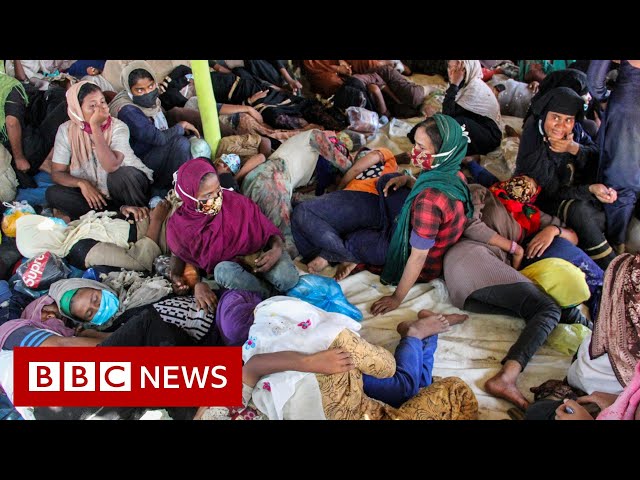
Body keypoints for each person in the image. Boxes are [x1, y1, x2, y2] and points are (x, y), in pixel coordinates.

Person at [196, 296, 476, 420]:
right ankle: (423, 336)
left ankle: (416, 334)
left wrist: (309, 362)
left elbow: (252, 367)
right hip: (311, 393)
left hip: (306, 371)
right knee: (413, 390)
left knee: (403, 387)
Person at [443, 178, 594, 409]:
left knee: (546, 306)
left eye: (531, 183)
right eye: (520, 179)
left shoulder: (531, 215)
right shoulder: (482, 191)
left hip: (479, 281)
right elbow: (469, 223)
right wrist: (514, 248)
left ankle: (594, 331)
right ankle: (506, 378)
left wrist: (552, 231)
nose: (523, 185)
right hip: (470, 257)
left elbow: (573, 236)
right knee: (547, 308)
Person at [368, 115, 473, 315]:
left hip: (423, 264)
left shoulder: (428, 202)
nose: (413, 152)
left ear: (443, 152)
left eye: (421, 147)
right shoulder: (454, 174)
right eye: (415, 144)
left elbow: (417, 258)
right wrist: (408, 181)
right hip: (432, 238)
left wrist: (396, 298)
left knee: (359, 240)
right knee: (387, 181)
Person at [167, 158, 299, 304]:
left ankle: (266, 294)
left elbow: (268, 230)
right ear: (189, 197)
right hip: (232, 270)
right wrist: (176, 275)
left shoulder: (237, 203)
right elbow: (179, 253)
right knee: (223, 272)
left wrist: (277, 250)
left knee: (288, 279)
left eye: (218, 189)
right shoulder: (180, 226)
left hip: (260, 256)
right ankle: (268, 296)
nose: (217, 198)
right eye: (208, 195)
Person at [515, 86, 617, 269]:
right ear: (544, 115)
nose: (561, 126)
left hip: (576, 193)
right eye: (555, 118)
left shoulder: (575, 130)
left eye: (568, 120)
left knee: (607, 205)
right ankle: (612, 268)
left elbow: (596, 156)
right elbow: (553, 192)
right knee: (579, 211)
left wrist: (573, 148)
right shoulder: (533, 140)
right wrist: (589, 189)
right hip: (545, 200)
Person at [45, 81, 153, 220]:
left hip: (126, 188)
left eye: (102, 102)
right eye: (92, 106)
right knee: (53, 193)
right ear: (78, 110)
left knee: (120, 175)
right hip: (96, 194)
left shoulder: (118, 127)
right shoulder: (66, 130)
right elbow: (57, 173)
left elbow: (111, 166)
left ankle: (136, 215)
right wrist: (82, 183)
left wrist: (95, 127)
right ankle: (118, 212)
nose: (101, 109)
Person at [291, 147, 399, 279]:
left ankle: (343, 255)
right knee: (324, 228)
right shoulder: (391, 174)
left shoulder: (386, 155)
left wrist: (338, 190)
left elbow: (356, 170)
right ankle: (329, 255)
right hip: (373, 217)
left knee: (303, 211)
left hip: (364, 198)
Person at [109, 61, 198, 198]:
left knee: (191, 141)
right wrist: (181, 126)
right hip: (141, 161)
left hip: (155, 150)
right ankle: (163, 190)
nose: (147, 93)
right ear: (129, 90)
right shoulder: (127, 110)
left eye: (150, 86)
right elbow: (158, 138)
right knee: (180, 144)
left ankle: (180, 184)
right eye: (140, 90)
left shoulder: (152, 103)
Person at [588, 60, 640, 255]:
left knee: (621, 175)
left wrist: (604, 98)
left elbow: (594, 81)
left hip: (629, 109)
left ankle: (617, 243)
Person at [443, 60, 502, 156]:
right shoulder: (463, 87)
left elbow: (447, 116)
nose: (452, 74)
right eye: (450, 67)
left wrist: (454, 84)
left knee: (452, 125)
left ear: (469, 70)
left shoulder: (473, 89)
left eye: (458, 70)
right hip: (473, 126)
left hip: (489, 136)